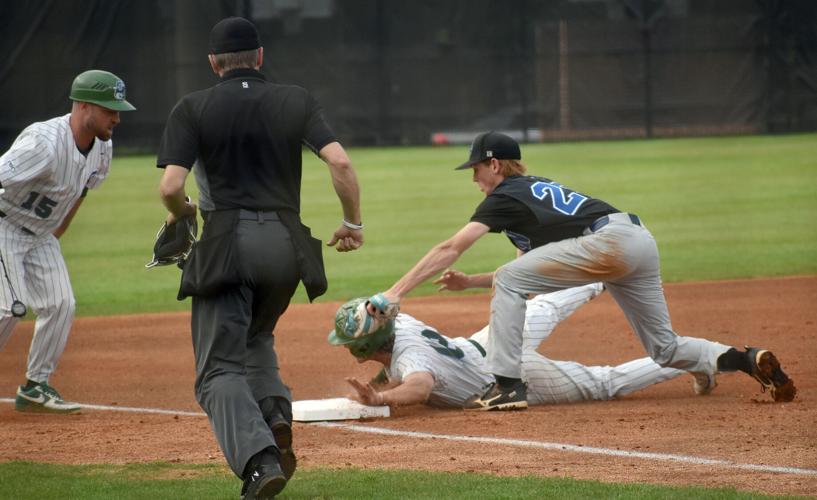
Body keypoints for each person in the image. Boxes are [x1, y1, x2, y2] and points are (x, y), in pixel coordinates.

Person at [367, 131, 796, 411]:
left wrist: (396, 291)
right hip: (637, 241)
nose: (474, 178)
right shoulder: (533, 192)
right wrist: (470, 284)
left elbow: (452, 246)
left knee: (512, 281)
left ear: (495, 164)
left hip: (604, 244)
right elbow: (525, 274)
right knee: (664, 349)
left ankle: (506, 384)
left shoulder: (504, 194)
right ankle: (744, 359)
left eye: (476, 169)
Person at [155, 17, 363, 500]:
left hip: (229, 243)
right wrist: (352, 223)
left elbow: (170, 187)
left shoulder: (193, 107)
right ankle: (274, 415)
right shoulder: (297, 99)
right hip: (288, 247)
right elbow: (341, 162)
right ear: (261, 57)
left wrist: (182, 212)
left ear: (213, 63)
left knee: (217, 372)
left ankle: (259, 463)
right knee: (256, 337)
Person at [0, 70, 135, 414]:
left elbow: (83, 188)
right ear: (85, 107)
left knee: (61, 304)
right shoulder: (43, 144)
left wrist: (59, 230)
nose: (117, 118)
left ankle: (35, 386)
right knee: (9, 306)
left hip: (41, 234)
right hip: (5, 225)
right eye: (110, 110)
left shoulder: (102, 147)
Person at [331, 283, 684, 409]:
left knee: (604, 383)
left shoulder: (412, 360)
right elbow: (396, 366)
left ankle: (686, 357)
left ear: (366, 346)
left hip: (505, 379)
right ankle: (607, 274)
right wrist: (377, 386)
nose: (347, 347)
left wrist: (380, 398)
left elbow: (419, 387)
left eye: (350, 342)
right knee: (544, 305)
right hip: (488, 341)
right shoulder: (400, 326)